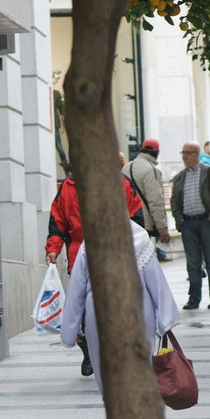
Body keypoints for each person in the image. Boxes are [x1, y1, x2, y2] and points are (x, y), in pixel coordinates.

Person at [46, 165, 145, 375]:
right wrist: (53, 249)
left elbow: (136, 220)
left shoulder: (122, 183)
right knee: (83, 309)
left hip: (115, 254)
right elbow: (57, 223)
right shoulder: (67, 187)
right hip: (79, 257)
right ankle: (89, 352)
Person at [60, 220, 181, 392]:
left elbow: (76, 288)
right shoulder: (140, 238)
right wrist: (165, 319)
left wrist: (70, 329)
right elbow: (157, 283)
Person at [171, 142, 210, 310]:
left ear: (196, 154)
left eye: (188, 152)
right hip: (188, 224)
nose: (184, 156)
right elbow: (174, 201)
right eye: (183, 152)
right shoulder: (179, 177)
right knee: (193, 264)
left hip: (206, 223)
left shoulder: (209, 173)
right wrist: (179, 220)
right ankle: (194, 299)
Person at [122, 139, 172, 262]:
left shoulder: (126, 167)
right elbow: (155, 201)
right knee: (143, 262)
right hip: (143, 223)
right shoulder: (151, 170)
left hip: (126, 221)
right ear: (156, 152)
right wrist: (162, 228)